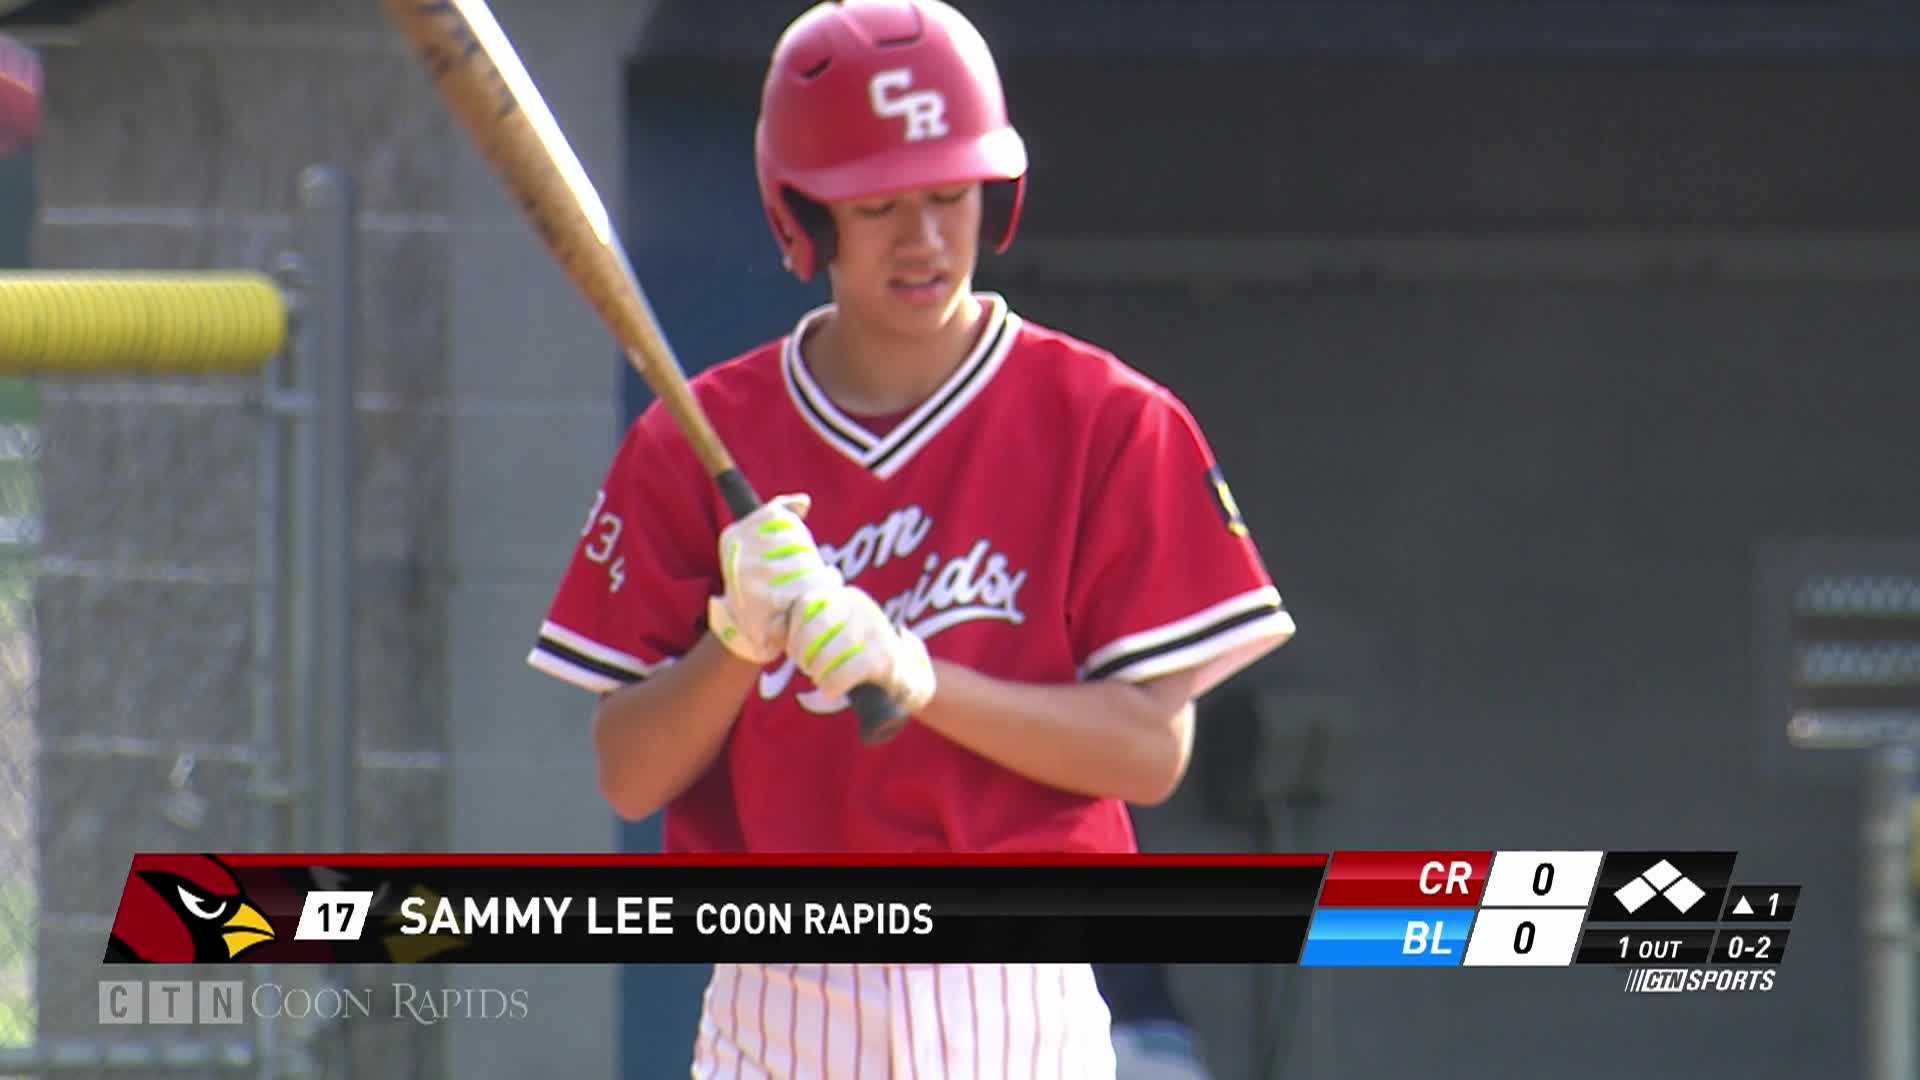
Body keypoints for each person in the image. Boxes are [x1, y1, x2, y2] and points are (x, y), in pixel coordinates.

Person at [526, 1, 1295, 1075]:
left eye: (949, 194)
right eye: (879, 203)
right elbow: (627, 775)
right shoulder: (692, 439)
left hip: (1017, 989)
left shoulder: (1110, 420)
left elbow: (1150, 752)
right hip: (780, 993)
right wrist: (733, 645)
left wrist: (918, 676)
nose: (925, 238)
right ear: (804, 217)